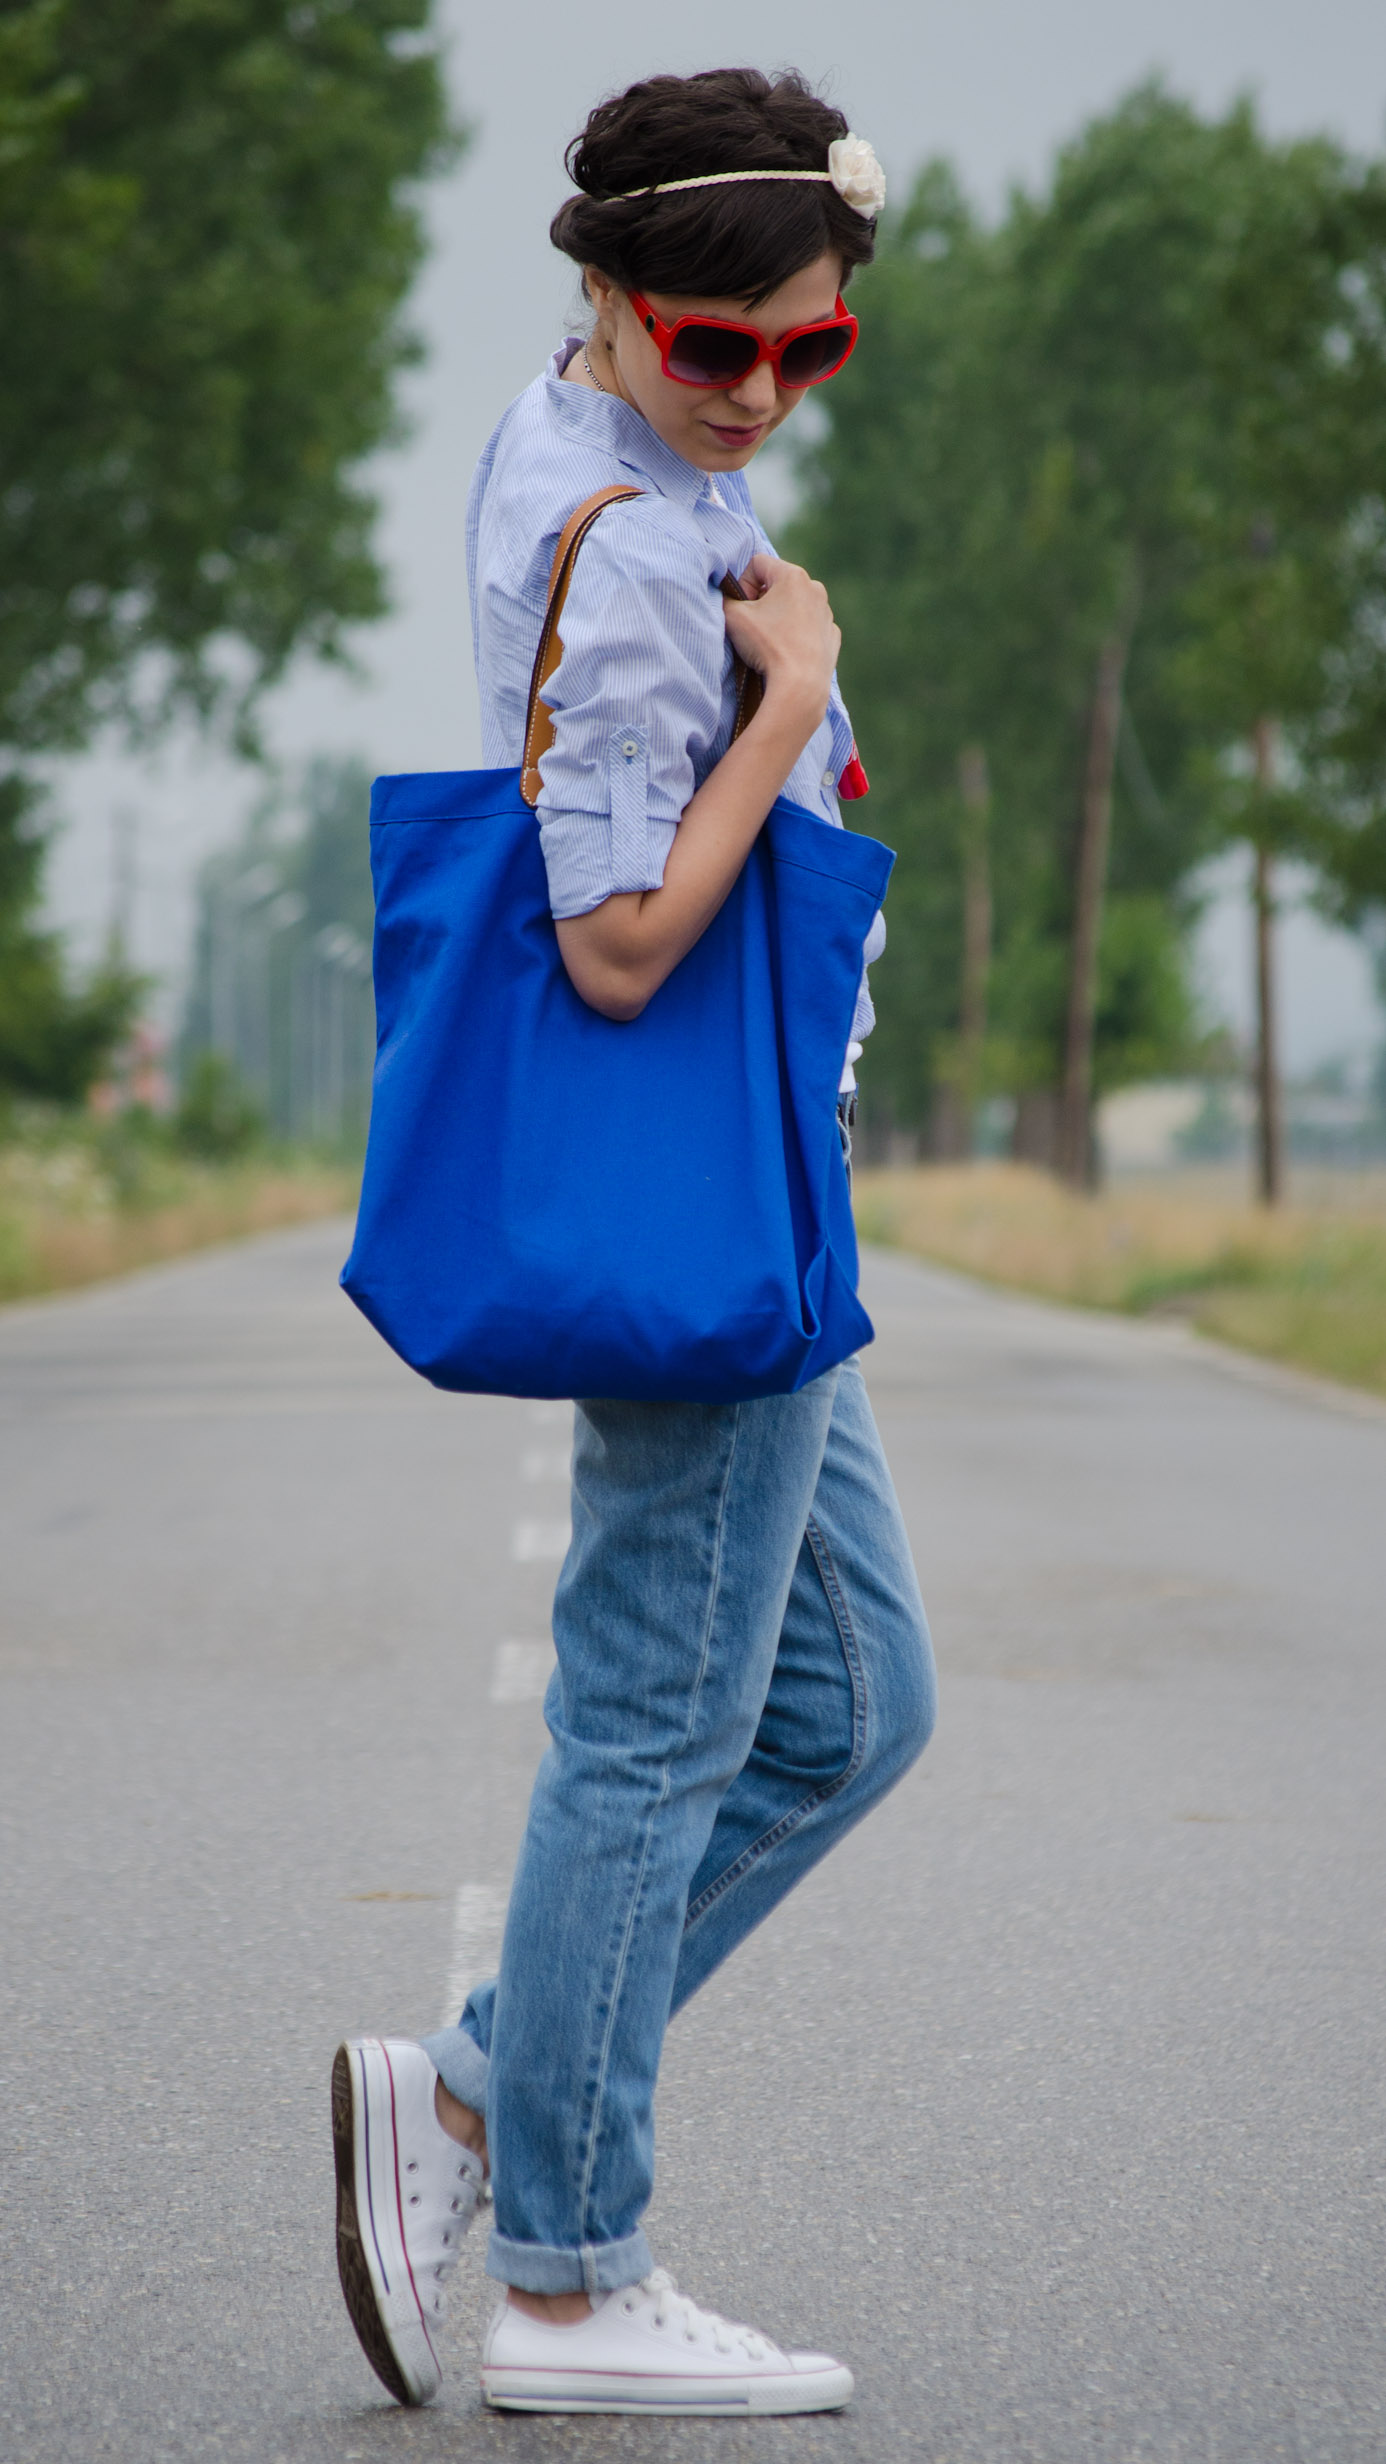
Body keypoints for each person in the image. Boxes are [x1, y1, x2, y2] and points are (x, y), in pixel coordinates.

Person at [331, 65, 936, 2419]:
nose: (760, 390)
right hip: (701, 1202)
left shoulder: (606, 447)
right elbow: (609, 942)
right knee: (663, 1724)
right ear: (602, 293)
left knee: (855, 1704)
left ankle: (481, 2085)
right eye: (716, 344)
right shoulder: (638, 544)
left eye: (812, 350)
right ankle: (568, 2274)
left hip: (769, 1192)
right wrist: (788, 700)